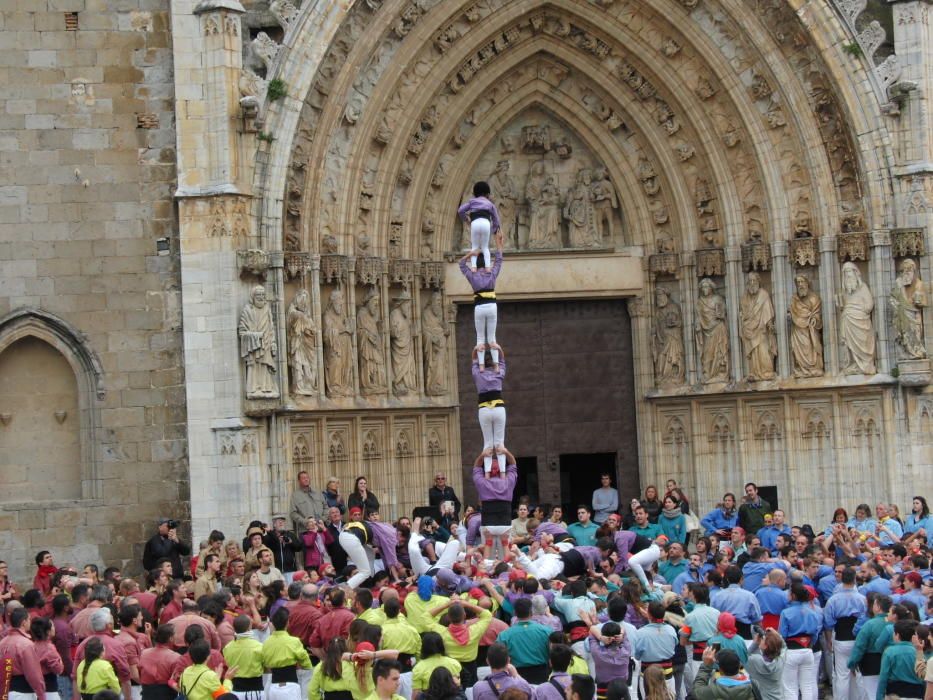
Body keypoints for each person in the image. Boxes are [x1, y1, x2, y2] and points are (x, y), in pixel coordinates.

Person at [458, 225, 505, 371]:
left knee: (480, 338)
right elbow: (499, 260)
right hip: (491, 306)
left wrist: (469, 255)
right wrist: (498, 244)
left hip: (479, 307)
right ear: (485, 263)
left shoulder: (472, 275)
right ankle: (496, 366)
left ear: (475, 265)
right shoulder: (491, 274)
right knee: (492, 338)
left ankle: (482, 366)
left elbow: (461, 264)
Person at [779, 583, 822, 700]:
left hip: (791, 650)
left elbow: (782, 635)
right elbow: (815, 634)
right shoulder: (813, 612)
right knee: (807, 686)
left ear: (793, 595)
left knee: (790, 687)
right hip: (808, 650)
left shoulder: (786, 612)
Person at [497, 598, 552, 684]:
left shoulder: (504, 635)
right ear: (531, 612)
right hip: (541, 673)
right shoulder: (546, 631)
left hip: (516, 674)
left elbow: (499, 658)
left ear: (515, 613)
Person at [473, 342, 507, 475]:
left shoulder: (478, 373)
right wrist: (499, 348)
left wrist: (476, 349)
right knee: (500, 442)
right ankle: (503, 473)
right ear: (494, 362)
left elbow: (474, 361)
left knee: (487, 443)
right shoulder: (499, 372)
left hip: (484, 409)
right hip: (498, 407)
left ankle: (487, 473)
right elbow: (503, 361)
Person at [457, 181, 501, 273]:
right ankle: (488, 268)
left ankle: (473, 268)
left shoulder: (472, 202)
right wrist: (494, 229)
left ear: (474, 193)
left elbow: (460, 210)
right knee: (485, 247)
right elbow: (496, 218)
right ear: (488, 194)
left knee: (475, 246)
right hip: (486, 223)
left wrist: (466, 219)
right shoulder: (490, 204)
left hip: (475, 222)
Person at [691, 647, 756, 700]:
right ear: (739, 666)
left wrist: (706, 666)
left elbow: (696, 691)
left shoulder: (712, 691)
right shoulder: (753, 686)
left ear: (720, 670)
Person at [411, 632, 462, 700]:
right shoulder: (454, 663)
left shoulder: (418, 668)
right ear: (441, 645)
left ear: (424, 647)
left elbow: (416, 694)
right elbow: (458, 685)